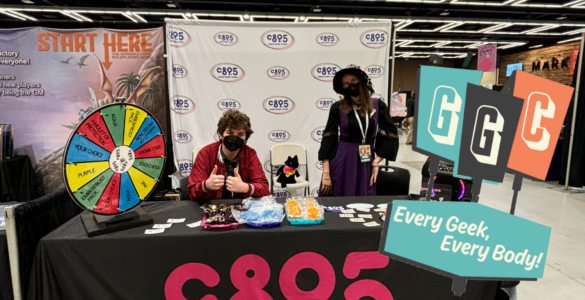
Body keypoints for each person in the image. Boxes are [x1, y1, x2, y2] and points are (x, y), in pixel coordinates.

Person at [318, 64, 399, 196]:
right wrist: (326, 174)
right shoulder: (338, 107)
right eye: (346, 83)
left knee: (363, 200)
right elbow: (328, 139)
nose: (351, 85)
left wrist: (376, 162)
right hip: (343, 159)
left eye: (354, 81)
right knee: (340, 197)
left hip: (367, 161)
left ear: (363, 82)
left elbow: (391, 134)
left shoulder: (378, 106)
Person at [187, 109, 270, 202]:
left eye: (240, 134)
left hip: (241, 209)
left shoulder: (250, 154)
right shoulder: (205, 153)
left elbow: (265, 190)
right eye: (230, 133)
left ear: (245, 138)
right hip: (212, 207)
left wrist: (246, 188)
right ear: (220, 135)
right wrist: (205, 186)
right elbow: (192, 193)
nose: (235, 137)